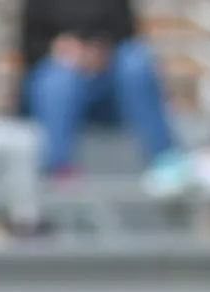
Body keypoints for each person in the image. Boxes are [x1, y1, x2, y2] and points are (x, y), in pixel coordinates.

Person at [16, 0, 184, 183]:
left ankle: (165, 160)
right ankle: (59, 172)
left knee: (136, 61)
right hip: (61, 94)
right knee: (58, 80)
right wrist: (62, 51)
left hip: (109, 91)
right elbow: (29, 49)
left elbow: (127, 34)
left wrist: (99, 53)